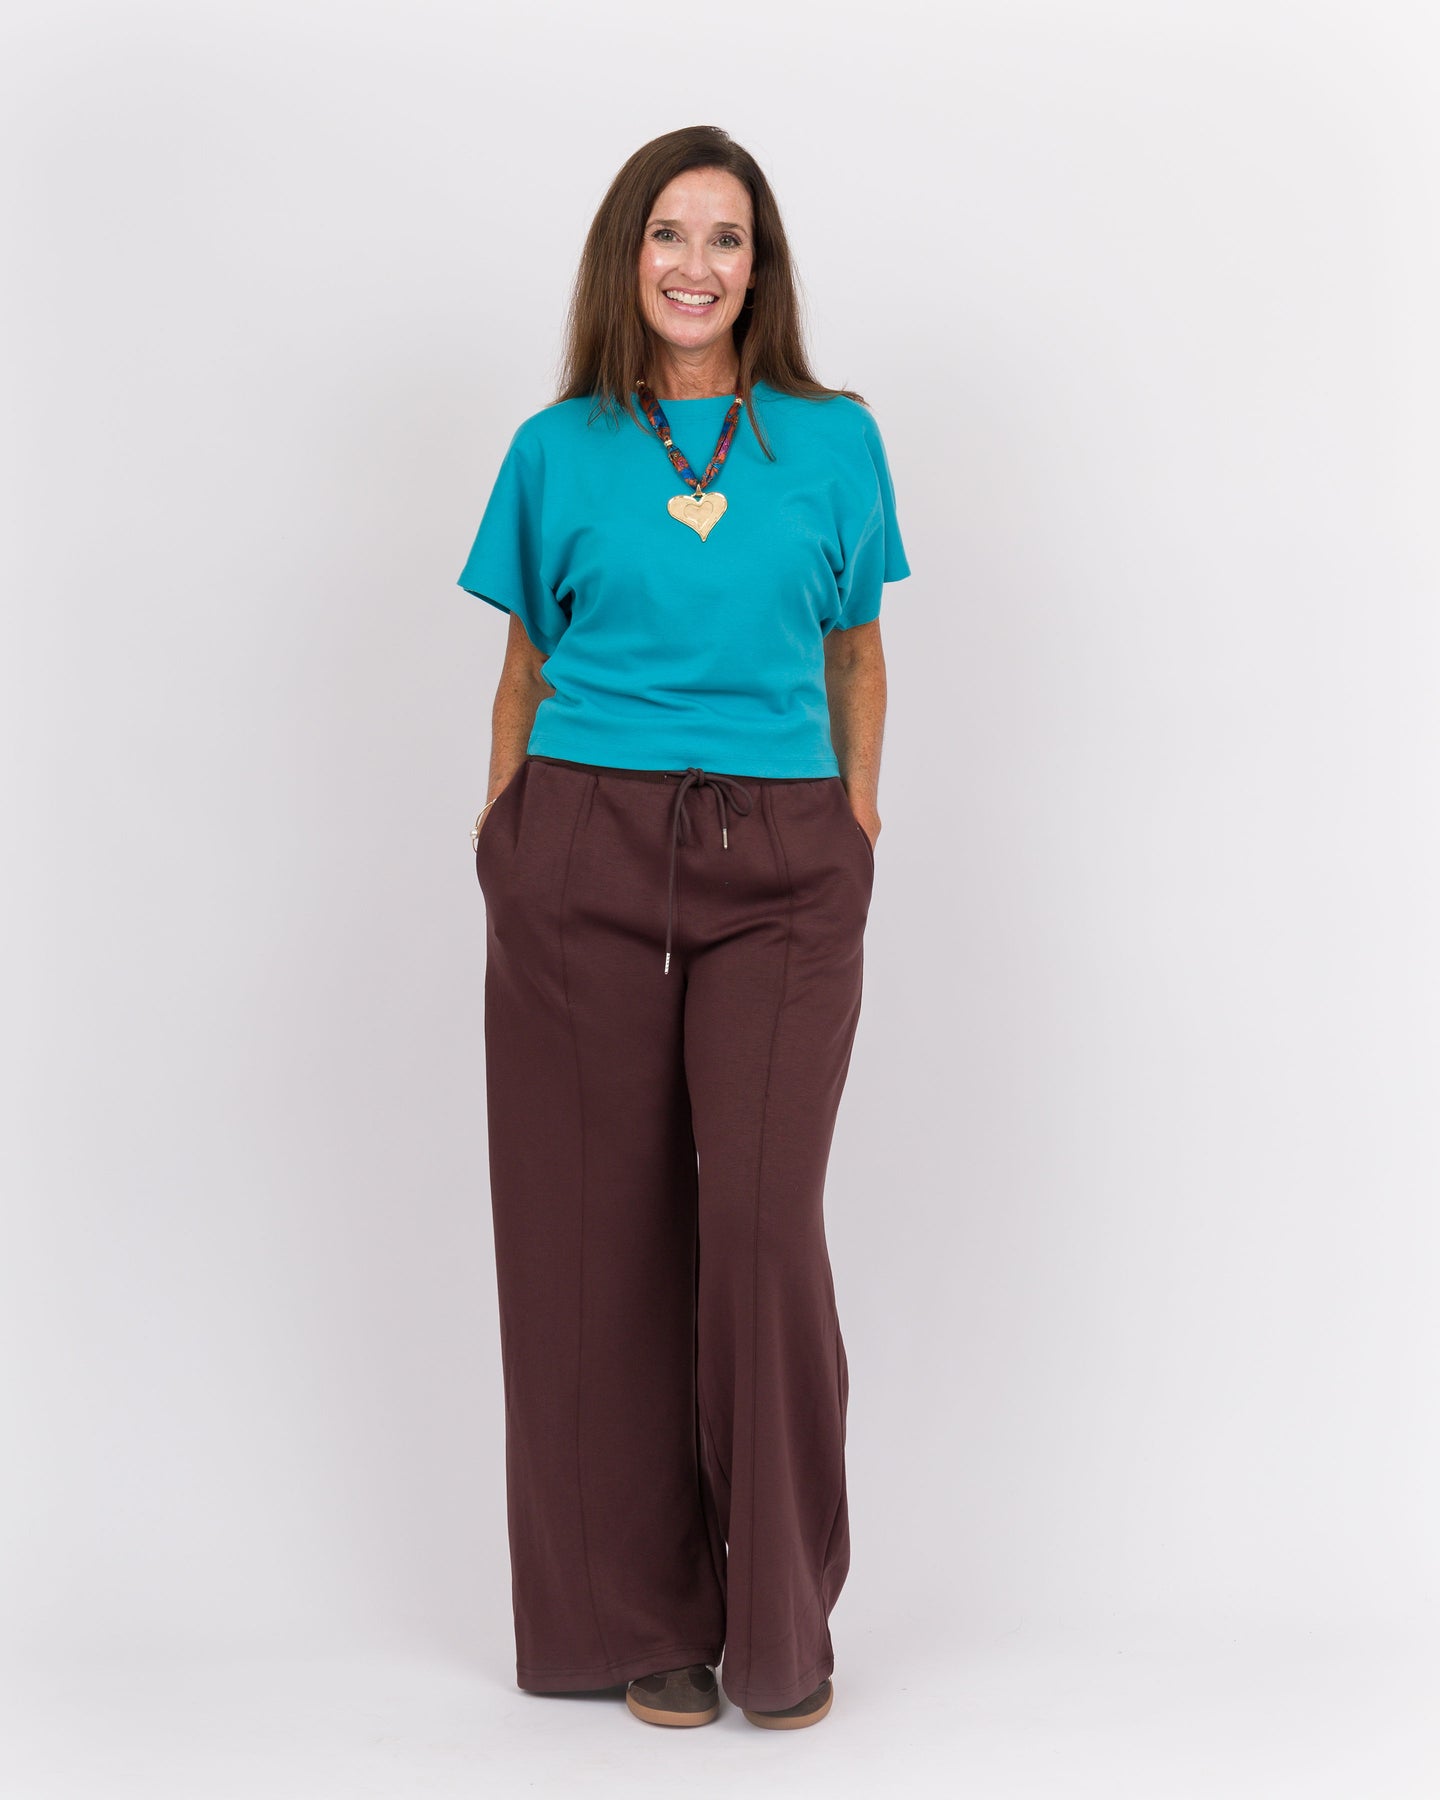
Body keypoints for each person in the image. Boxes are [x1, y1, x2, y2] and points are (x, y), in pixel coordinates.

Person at [457, 124, 910, 1732]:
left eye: (726, 238)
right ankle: (640, 1619)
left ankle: (778, 1623)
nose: (695, 266)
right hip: (580, 842)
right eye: (668, 234)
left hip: (782, 859)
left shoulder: (834, 441)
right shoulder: (556, 447)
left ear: (759, 269)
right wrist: (508, 834)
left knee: (761, 1228)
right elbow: (525, 664)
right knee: (592, 1239)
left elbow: (856, 655)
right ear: (625, 258)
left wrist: (853, 825)